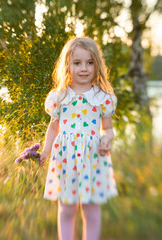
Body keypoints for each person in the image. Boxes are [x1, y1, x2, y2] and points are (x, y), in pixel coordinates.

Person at [39, 37, 118, 240]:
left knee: (91, 209)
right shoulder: (60, 97)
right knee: (66, 209)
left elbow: (108, 128)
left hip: (92, 158)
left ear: (97, 65)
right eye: (77, 63)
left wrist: (106, 140)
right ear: (68, 65)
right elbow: (53, 126)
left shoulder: (102, 97)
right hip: (66, 158)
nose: (84, 68)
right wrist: (46, 151)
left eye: (89, 63)